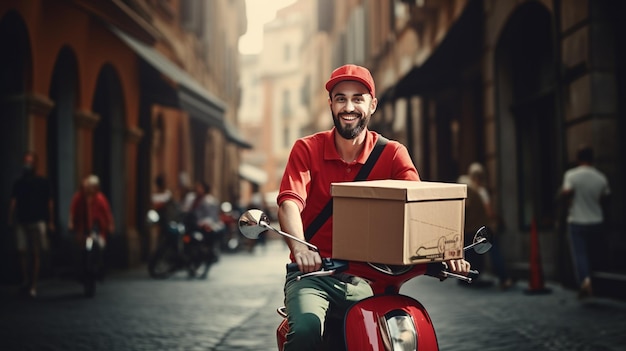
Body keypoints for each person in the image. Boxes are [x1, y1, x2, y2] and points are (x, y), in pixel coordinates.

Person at [276, 64, 471, 350]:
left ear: (372, 105)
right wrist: (301, 249)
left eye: (358, 98)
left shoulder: (392, 154)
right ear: (331, 104)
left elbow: (418, 208)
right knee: (307, 330)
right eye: (341, 98)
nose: (349, 106)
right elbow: (290, 202)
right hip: (314, 275)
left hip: (368, 278)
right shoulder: (307, 149)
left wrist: (446, 252)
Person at [559, 145, 610, 299]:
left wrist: (567, 198)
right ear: (592, 159)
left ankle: (585, 281)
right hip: (596, 220)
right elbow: (605, 197)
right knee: (595, 253)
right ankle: (597, 284)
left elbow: (566, 192)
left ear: (578, 158)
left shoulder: (572, 175)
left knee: (580, 254)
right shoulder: (601, 177)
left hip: (577, 220)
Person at [8, 151, 55, 298]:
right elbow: (13, 201)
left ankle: (33, 284)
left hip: (38, 220)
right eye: (25, 161)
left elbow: (49, 203)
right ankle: (26, 280)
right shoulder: (19, 183)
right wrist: (10, 217)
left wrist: (51, 221)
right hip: (22, 220)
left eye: (30, 161)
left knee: (35, 253)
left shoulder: (43, 182)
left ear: (35, 163)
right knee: (22, 251)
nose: (27, 164)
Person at [466, 162, 513, 289]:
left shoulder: (467, 191)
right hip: (483, 229)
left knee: (472, 255)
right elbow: (489, 212)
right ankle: (504, 278)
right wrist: (498, 219)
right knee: (494, 252)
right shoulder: (481, 192)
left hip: (469, 229)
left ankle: (471, 278)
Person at [68, 175, 115, 279]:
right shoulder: (79, 198)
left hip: (96, 229)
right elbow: (72, 211)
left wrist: (110, 225)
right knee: (80, 248)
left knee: (100, 246)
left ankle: (98, 267)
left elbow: (107, 214)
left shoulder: (100, 198)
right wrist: (71, 223)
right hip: (82, 229)